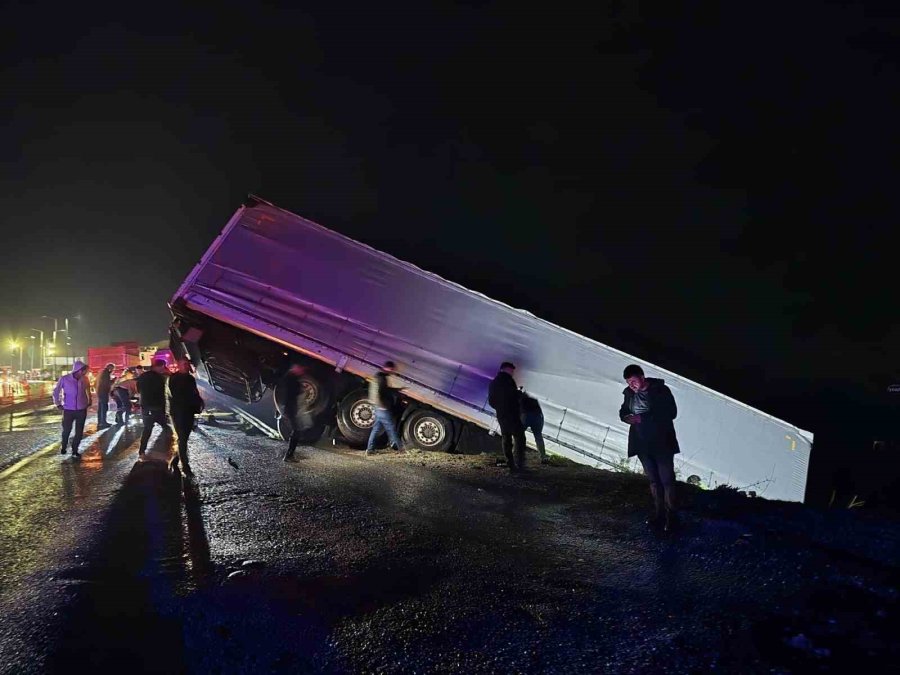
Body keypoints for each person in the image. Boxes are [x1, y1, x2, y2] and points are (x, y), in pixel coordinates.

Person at [619, 364, 681, 531]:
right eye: (628, 382)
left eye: (633, 381)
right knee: (654, 481)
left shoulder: (660, 390)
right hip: (642, 443)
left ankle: (672, 518)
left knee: (667, 480)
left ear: (642, 377)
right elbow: (623, 410)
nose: (631, 385)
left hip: (662, 442)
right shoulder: (629, 394)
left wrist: (642, 419)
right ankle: (658, 515)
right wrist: (626, 417)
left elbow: (671, 413)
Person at [167, 357, 204, 475]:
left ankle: (175, 460)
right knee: (182, 438)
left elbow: (194, 392)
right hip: (178, 412)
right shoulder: (174, 378)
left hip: (188, 411)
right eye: (184, 364)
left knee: (184, 438)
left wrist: (198, 402)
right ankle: (185, 465)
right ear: (178, 365)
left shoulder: (190, 378)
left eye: (187, 363)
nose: (186, 366)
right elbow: (174, 396)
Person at [488, 362, 527, 472]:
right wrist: (519, 393)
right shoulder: (508, 381)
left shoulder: (494, 382)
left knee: (506, 438)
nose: (513, 372)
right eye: (512, 370)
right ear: (506, 369)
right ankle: (519, 463)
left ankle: (511, 463)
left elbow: (491, 401)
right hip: (512, 413)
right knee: (519, 437)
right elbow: (512, 396)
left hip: (502, 414)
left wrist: (500, 408)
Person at [52, 360, 93, 458]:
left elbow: (88, 390)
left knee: (79, 431)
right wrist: (58, 403)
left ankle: (75, 450)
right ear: (78, 370)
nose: (85, 373)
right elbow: (56, 392)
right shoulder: (64, 379)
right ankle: (64, 447)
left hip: (81, 409)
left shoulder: (85, 379)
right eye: (84, 371)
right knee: (66, 430)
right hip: (68, 409)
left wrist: (89, 400)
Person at [366, 361, 404, 455]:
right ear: (387, 368)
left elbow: (384, 390)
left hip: (378, 407)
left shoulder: (379, 376)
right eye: (391, 369)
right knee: (391, 428)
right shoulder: (381, 378)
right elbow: (378, 393)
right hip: (382, 408)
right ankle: (401, 449)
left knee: (376, 429)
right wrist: (382, 406)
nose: (392, 371)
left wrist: (397, 390)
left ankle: (370, 450)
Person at [279, 363, 314, 461]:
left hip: (291, 409)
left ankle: (290, 455)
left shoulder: (290, 378)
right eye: (300, 369)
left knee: (297, 431)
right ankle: (289, 455)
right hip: (292, 409)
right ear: (295, 368)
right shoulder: (291, 379)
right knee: (296, 431)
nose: (302, 371)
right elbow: (293, 395)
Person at [137, 359, 171, 455]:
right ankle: (166, 450)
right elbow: (161, 394)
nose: (163, 369)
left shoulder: (143, 376)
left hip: (145, 406)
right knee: (165, 426)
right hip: (156, 406)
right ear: (159, 367)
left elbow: (138, 389)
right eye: (163, 367)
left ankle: (142, 450)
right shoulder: (159, 378)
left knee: (148, 428)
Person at [520, 387, 548, 465]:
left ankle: (518, 454)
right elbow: (540, 413)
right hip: (538, 418)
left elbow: (519, 413)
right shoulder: (534, 400)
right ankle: (543, 457)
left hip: (526, 416)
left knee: (519, 435)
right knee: (538, 437)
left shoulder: (520, 400)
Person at [95, 362, 116, 429]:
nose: (113, 370)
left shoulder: (102, 372)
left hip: (100, 392)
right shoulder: (106, 373)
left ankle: (100, 422)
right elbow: (107, 383)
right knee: (104, 407)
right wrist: (113, 380)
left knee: (101, 407)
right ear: (110, 368)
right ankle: (103, 422)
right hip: (103, 392)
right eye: (113, 369)